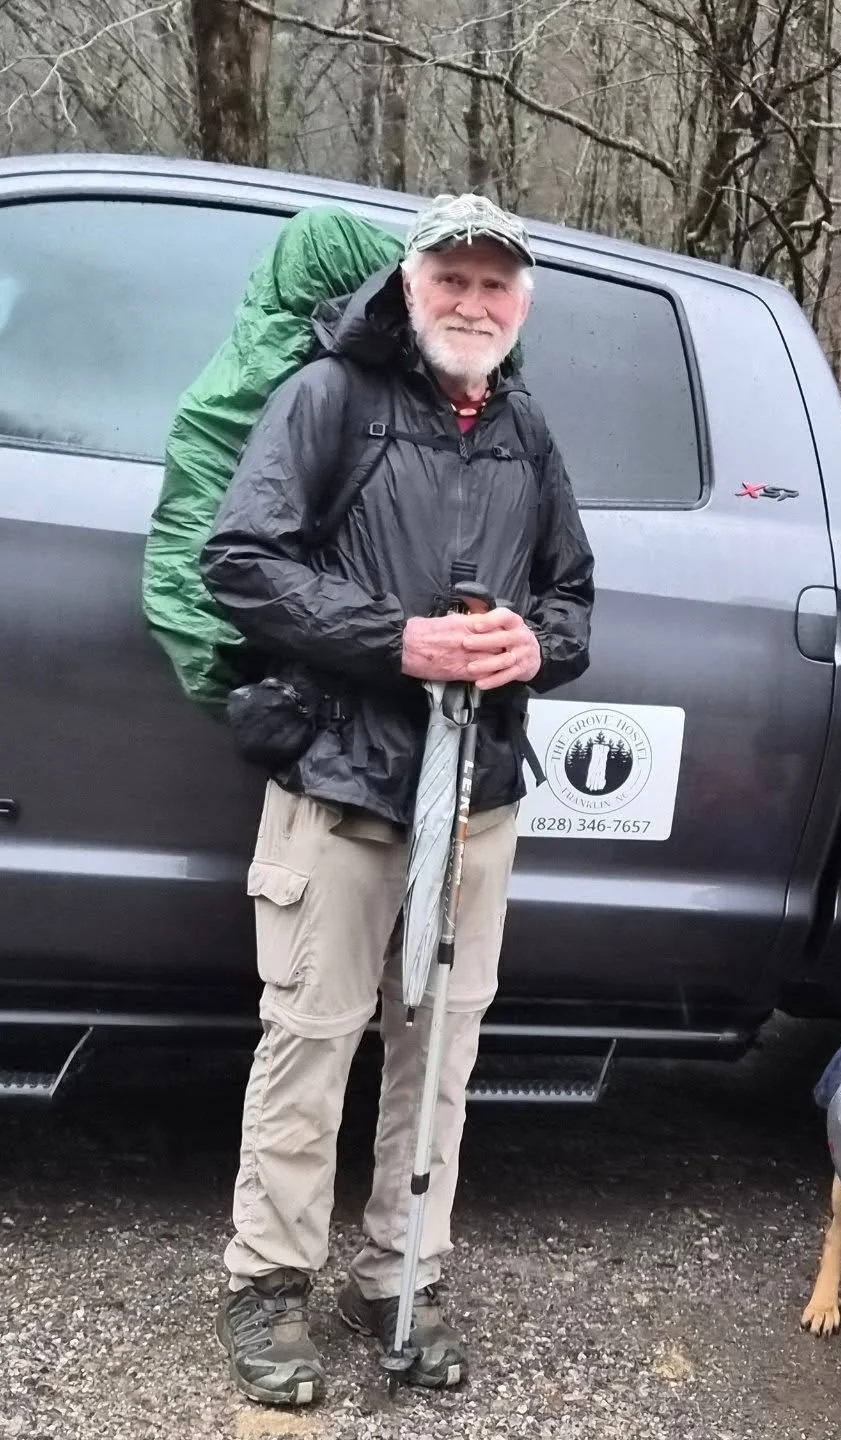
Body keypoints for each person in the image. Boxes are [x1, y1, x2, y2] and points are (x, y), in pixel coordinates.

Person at [199, 192, 595, 1406]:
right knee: (311, 1043)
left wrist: (536, 646)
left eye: (495, 285)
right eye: (452, 280)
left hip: (474, 801)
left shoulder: (525, 428)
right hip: (343, 782)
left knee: (442, 1049)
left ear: (520, 305)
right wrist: (397, 641)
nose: (473, 303)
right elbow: (240, 560)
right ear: (410, 286)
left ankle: (400, 1276)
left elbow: (575, 599)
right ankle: (267, 1286)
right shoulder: (330, 397)